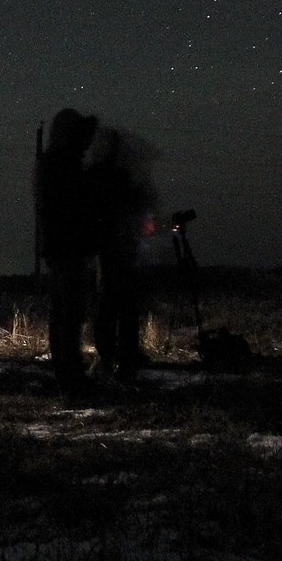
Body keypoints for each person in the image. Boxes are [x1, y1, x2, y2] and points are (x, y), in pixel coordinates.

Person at [86, 126, 158, 383]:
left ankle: (119, 356)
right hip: (111, 247)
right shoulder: (107, 175)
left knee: (118, 304)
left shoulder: (107, 175)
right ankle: (114, 357)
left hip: (117, 246)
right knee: (114, 304)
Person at [35, 108, 98, 391]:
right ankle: (70, 375)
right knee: (69, 312)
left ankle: (67, 371)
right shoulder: (63, 164)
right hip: (67, 246)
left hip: (61, 246)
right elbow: (71, 207)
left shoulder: (54, 162)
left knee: (65, 311)